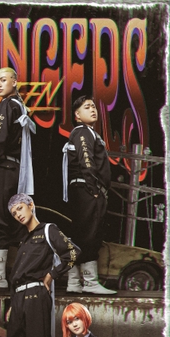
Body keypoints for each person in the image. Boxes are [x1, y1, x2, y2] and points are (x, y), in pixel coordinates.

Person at [6, 193, 80, 337]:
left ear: (31, 205)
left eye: (20, 208)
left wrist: (51, 275)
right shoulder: (24, 240)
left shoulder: (48, 230)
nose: (18, 215)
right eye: (14, 213)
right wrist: (12, 304)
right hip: (18, 298)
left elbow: (73, 252)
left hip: (36, 295)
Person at [0, 67, 36, 290]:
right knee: (14, 221)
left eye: (4, 80)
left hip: (2, 169)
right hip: (15, 170)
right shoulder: (20, 106)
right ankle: (20, 275)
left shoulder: (6, 105)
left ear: (15, 82)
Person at [62, 95, 115, 295]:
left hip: (82, 189)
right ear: (77, 115)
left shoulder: (86, 132)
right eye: (87, 107)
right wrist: (94, 190)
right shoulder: (83, 132)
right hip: (86, 189)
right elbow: (87, 161)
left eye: (93, 106)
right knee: (90, 235)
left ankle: (74, 282)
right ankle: (90, 282)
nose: (93, 110)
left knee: (80, 234)